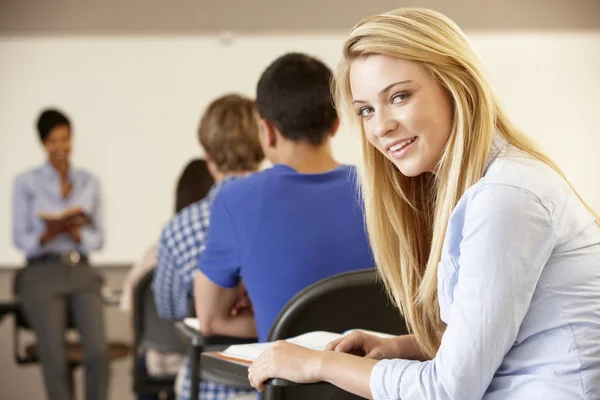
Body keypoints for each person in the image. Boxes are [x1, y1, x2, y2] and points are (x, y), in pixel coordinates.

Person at [247, 8, 600, 399]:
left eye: (399, 96)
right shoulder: (487, 185)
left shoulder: (505, 198)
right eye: (366, 109)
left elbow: (448, 390)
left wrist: (319, 362)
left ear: (456, 85)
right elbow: (503, 334)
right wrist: (403, 346)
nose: (380, 127)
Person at [192, 53, 374, 394]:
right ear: (336, 124)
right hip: (379, 384)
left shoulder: (235, 200)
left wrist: (274, 317)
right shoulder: (382, 192)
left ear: (266, 131)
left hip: (291, 390)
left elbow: (211, 319)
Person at [151, 94, 265, 400]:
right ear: (264, 142)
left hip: (210, 382)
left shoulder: (178, 228)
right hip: (281, 381)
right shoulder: (292, 213)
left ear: (208, 157)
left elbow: (169, 308)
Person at [12, 108, 108, 400]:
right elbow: (19, 238)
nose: (61, 147)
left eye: (65, 139)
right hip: (42, 272)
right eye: (53, 141)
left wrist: (77, 232)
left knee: (97, 353)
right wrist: (48, 233)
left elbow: (99, 238)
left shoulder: (89, 182)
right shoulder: (25, 183)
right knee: (54, 358)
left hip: (80, 269)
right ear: (43, 144)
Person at [119, 159, 214, 398]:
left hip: (159, 363)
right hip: (206, 361)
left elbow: (132, 312)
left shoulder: (155, 253)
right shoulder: (222, 254)